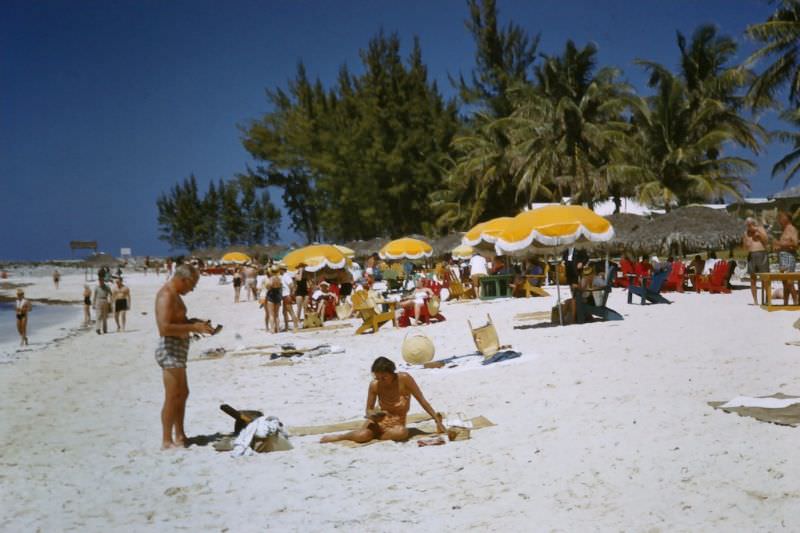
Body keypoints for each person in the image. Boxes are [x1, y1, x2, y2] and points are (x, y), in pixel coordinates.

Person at [320, 356, 446, 444]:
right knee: (362, 435)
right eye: (378, 377)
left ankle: (377, 436)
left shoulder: (404, 379)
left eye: (384, 377)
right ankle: (340, 436)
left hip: (396, 424)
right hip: (379, 421)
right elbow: (368, 410)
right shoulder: (375, 385)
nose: (380, 380)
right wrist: (373, 414)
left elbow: (422, 400)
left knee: (401, 432)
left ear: (392, 373)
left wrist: (436, 420)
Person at [154, 264, 213, 449]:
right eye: (192, 284)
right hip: (170, 348)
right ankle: (166, 440)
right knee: (172, 396)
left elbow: (177, 321)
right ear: (183, 279)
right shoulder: (166, 295)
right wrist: (192, 328)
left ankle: (180, 435)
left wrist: (195, 323)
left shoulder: (176, 295)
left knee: (183, 393)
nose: (193, 288)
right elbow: (164, 328)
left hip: (179, 348)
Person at [743, 217, 770, 305]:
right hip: (751, 255)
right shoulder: (746, 233)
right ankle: (755, 300)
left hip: (762, 254)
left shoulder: (760, 229)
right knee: (752, 279)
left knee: (765, 278)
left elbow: (766, 241)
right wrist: (747, 244)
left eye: (750, 224)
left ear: (754, 224)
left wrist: (759, 234)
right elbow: (744, 247)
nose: (749, 226)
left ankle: (767, 299)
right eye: (747, 225)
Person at [776, 211, 799, 305]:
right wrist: (778, 248)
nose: (779, 220)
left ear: (787, 219)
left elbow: (796, 244)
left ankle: (795, 302)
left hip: (789, 256)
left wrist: (782, 244)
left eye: (781, 218)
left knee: (789, 281)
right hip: (782, 256)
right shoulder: (784, 229)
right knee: (784, 281)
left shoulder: (792, 229)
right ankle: (785, 303)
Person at [279, 264, 299, 331]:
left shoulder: (286, 276)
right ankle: (286, 327)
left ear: (282, 269)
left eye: (279, 269)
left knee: (291, 312)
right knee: (284, 312)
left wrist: (291, 294)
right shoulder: (283, 276)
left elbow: (291, 285)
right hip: (285, 296)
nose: (279, 271)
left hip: (287, 296)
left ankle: (296, 326)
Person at [265, 266, 283, 333]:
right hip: (278, 296)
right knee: (277, 314)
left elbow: (268, 287)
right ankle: (277, 329)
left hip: (271, 295)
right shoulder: (279, 279)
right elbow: (280, 287)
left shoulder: (271, 279)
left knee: (271, 314)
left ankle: (272, 329)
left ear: (271, 271)